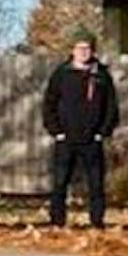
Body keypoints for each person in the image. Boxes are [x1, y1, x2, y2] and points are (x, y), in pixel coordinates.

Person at [42, 35, 118, 228]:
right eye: (79, 48)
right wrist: (56, 131)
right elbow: (49, 104)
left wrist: (103, 131)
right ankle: (57, 222)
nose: (83, 52)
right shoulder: (61, 74)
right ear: (72, 50)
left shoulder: (101, 75)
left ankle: (97, 222)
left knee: (96, 184)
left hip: (92, 139)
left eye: (87, 48)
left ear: (92, 51)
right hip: (66, 138)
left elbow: (111, 106)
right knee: (60, 183)